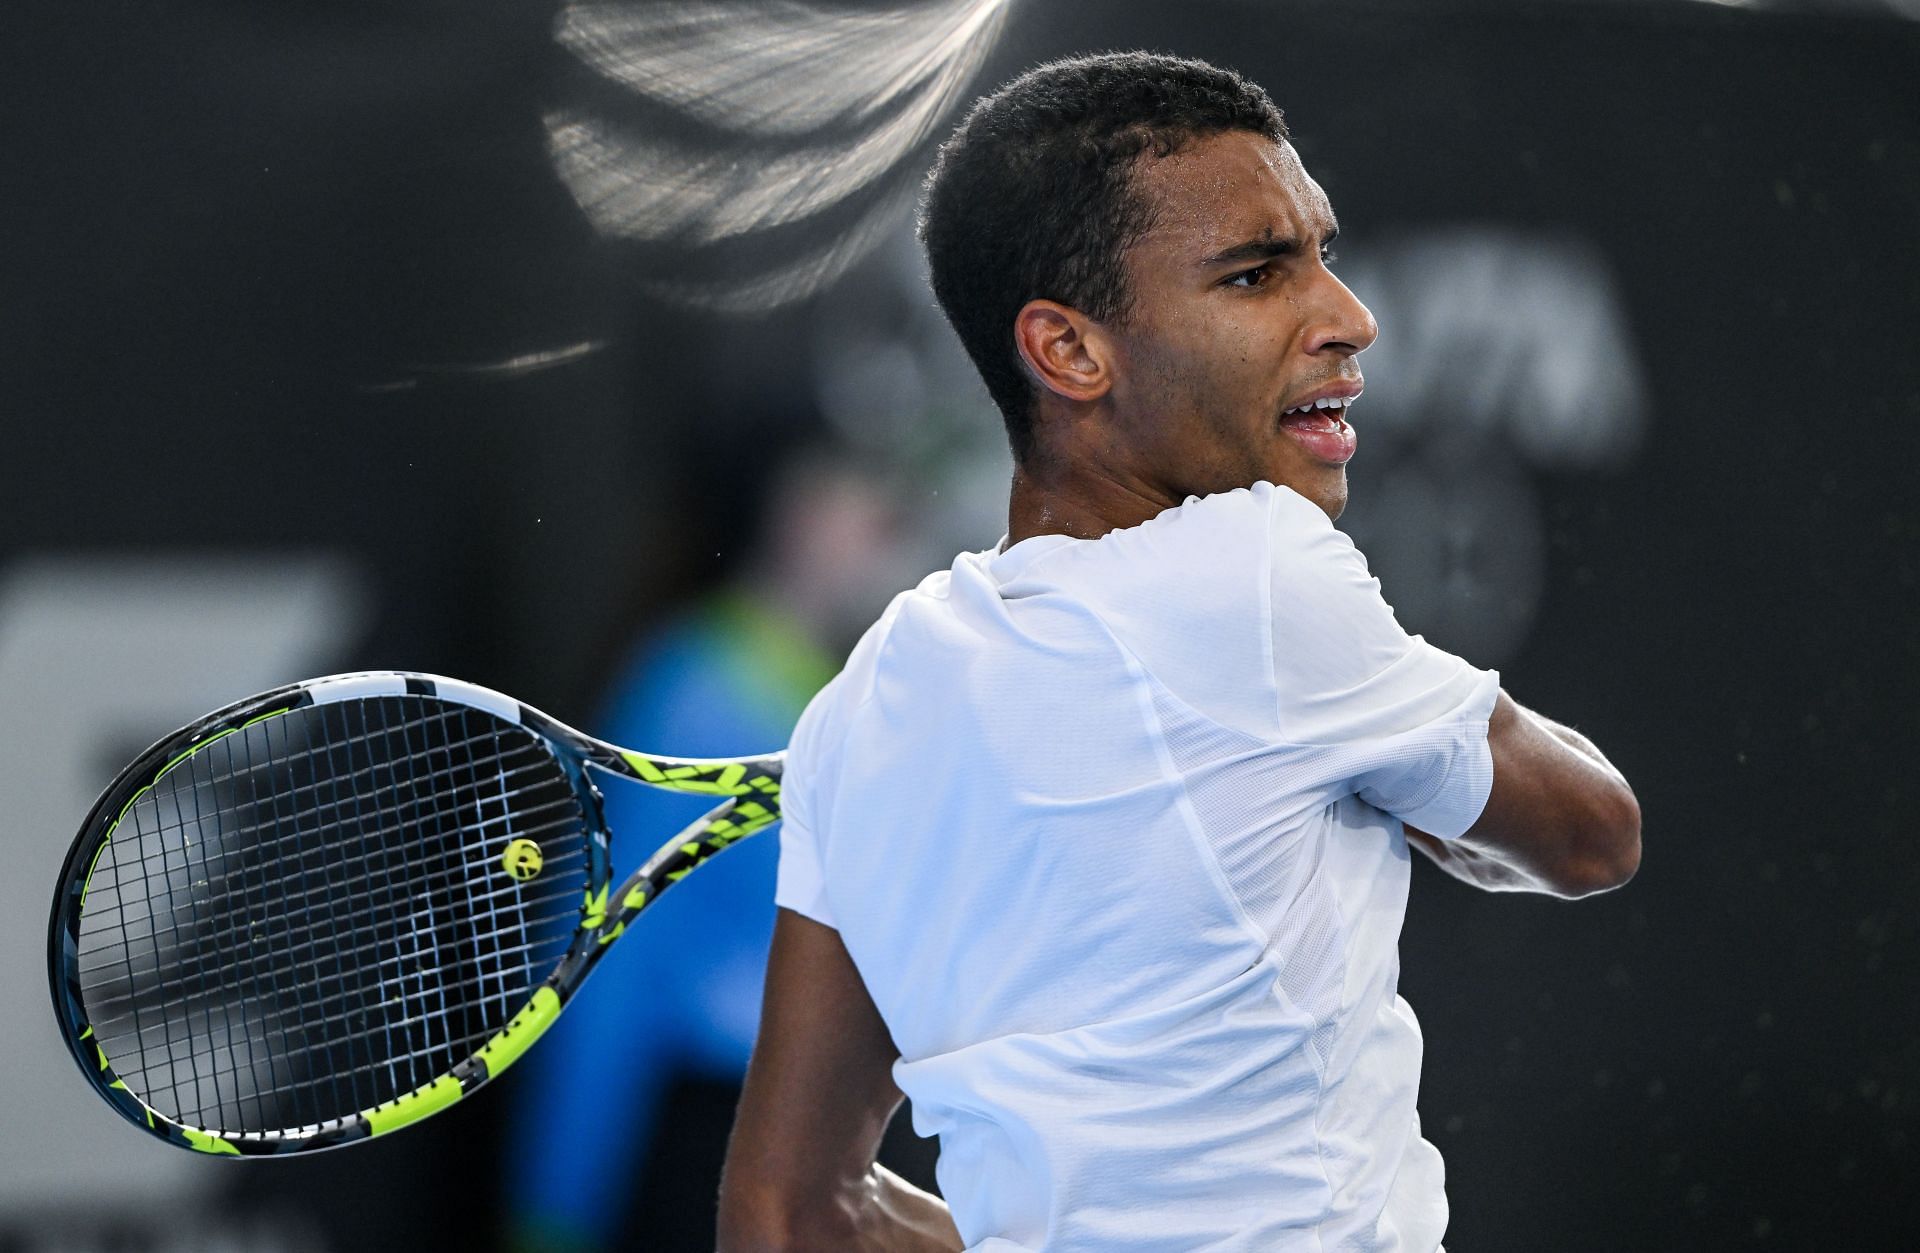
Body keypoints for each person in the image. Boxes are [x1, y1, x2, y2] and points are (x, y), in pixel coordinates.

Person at [717, 51, 1641, 1253]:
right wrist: (1399, 779)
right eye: (1257, 273)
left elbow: (791, 1214)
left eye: (1323, 251)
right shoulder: (1249, 574)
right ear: (1070, 352)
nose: (1350, 316)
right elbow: (1592, 834)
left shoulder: (865, 702)